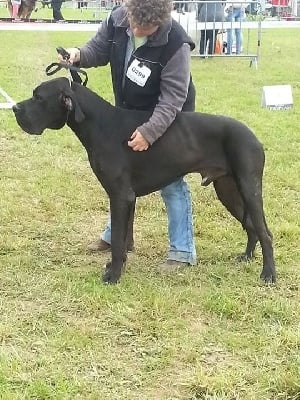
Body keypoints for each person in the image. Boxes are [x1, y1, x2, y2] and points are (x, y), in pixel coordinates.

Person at [59, 0, 197, 270]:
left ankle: (182, 250)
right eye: (134, 22)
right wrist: (78, 54)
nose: (136, 29)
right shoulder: (119, 19)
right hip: (128, 111)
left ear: (160, 22)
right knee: (119, 174)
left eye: (145, 27)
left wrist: (149, 132)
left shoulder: (176, 43)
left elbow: (172, 100)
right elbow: (99, 49)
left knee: (170, 180)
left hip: (168, 117)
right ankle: (118, 238)